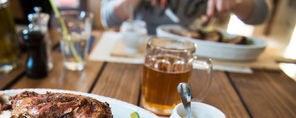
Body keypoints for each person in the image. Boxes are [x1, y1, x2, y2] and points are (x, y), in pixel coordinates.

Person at [100, 0, 271, 34]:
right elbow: (107, 19)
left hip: (198, 53)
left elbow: (262, 14)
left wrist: (236, 2)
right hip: (137, 52)